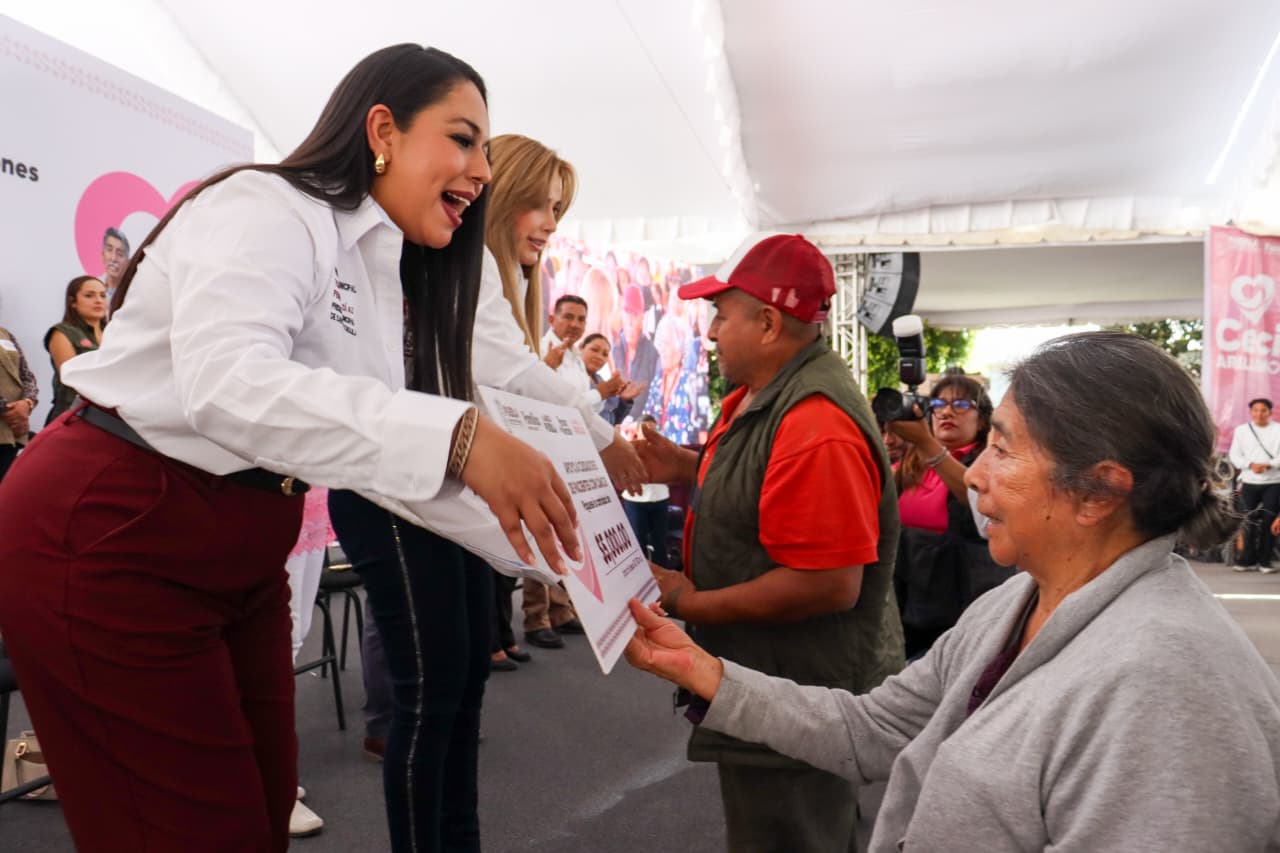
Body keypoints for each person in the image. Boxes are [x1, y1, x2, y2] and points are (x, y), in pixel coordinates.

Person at [0, 44, 581, 853]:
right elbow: (227, 383)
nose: (483, 170)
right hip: (112, 531)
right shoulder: (266, 205)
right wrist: (459, 436)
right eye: (463, 139)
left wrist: (585, 569)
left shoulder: (379, 264)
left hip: (238, 554)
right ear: (383, 130)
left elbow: (386, 464)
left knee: (262, 810)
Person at [627, 330, 1280, 852]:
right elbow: (873, 727)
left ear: (1098, 492)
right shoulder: (1013, 603)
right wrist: (704, 671)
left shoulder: (1167, 688)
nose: (975, 475)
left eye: (1004, 449)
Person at [634, 234, 904, 853]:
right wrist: (688, 466)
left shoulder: (816, 422)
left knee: (791, 835)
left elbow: (827, 583)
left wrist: (688, 601)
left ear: (768, 322)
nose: (711, 333)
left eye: (721, 316)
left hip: (798, 695)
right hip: (783, 685)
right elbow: (766, 483)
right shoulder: (775, 395)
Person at [472, 133, 646, 656]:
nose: (551, 223)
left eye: (557, 209)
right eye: (541, 205)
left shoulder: (506, 277)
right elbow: (508, 370)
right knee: (439, 672)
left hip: (468, 491)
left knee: (458, 670)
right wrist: (602, 437)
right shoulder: (476, 265)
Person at [890, 375, 1012, 658]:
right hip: (910, 601)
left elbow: (979, 501)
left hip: (960, 606)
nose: (946, 412)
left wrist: (929, 445)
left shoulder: (990, 463)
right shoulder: (910, 463)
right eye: (939, 404)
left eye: (960, 404)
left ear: (982, 420)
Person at [43, 275, 107, 424]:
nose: (98, 300)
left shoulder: (114, 332)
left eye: (103, 295)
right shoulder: (62, 332)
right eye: (89, 295)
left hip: (110, 419)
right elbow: (72, 378)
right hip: (73, 416)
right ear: (72, 302)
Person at [1227, 396, 1280, 572]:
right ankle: (1246, 560)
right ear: (1251, 412)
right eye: (1256, 410)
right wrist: (1250, 465)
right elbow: (1235, 455)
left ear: (1270, 412)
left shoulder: (1278, 430)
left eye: (1263, 410)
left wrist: (1270, 464)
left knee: (1269, 521)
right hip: (1249, 481)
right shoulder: (1242, 431)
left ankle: (1265, 561)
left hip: (1274, 482)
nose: (1259, 414)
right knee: (1247, 521)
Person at [622, 414, 671, 566]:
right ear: (637, 430)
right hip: (635, 499)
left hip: (660, 498)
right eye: (646, 429)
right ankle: (641, 575)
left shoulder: (666, 448)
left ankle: (663, 573)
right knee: (637, 541)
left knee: (660, 541)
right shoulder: (629, 448)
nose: (650, 433)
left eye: (653, 429)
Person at [642, 313, 697, 444]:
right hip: (656, 451)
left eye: (666, 344)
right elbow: (646, 419)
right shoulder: (657, 381)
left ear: (680, 348)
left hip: (682, 453)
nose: (662, 350)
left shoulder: (690, 383)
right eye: (661, 343)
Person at [0, 323, 37, 482]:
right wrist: (8, 411)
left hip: (12, 433)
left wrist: (27, 403)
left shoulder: (5, 334)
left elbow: (27, 375)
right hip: (11, 422)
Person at [581, 332, 644, 425]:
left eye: (605, 354)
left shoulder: (600, 381)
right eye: (594, 350)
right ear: (581, 348)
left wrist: (624, 401)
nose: (599, 357)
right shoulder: (570, 375)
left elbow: (611, 421)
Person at [614, 284, 659, 391]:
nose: (630, 322)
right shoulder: (614, 349)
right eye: (626, 315)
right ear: (622, 316)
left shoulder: (651, 353)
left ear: (642, 318)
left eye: (634, 316)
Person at [100, 227, 130, 304]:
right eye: (109, 250)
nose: (113, 258)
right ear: (102, 255)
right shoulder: (94, 287)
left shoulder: (131, 294)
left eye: (120, 254)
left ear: (127, 262)